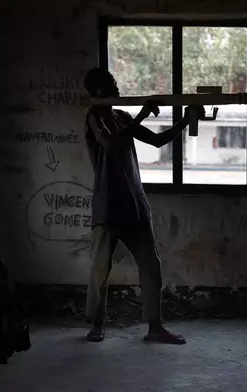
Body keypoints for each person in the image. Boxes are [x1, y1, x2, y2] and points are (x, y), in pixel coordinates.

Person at [82, 68, 205, 344]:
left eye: (115, 83)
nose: (116, 88)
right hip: (107, 205)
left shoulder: (121, 116)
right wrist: (142, 113)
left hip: (134, 202)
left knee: (151, 266)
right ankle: (96, 325)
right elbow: (110, 142)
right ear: (97, 92)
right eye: (109, 85)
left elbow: (157, 140)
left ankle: (155, 327)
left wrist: (185, 120)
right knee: (99, 270)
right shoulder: (94, 117)